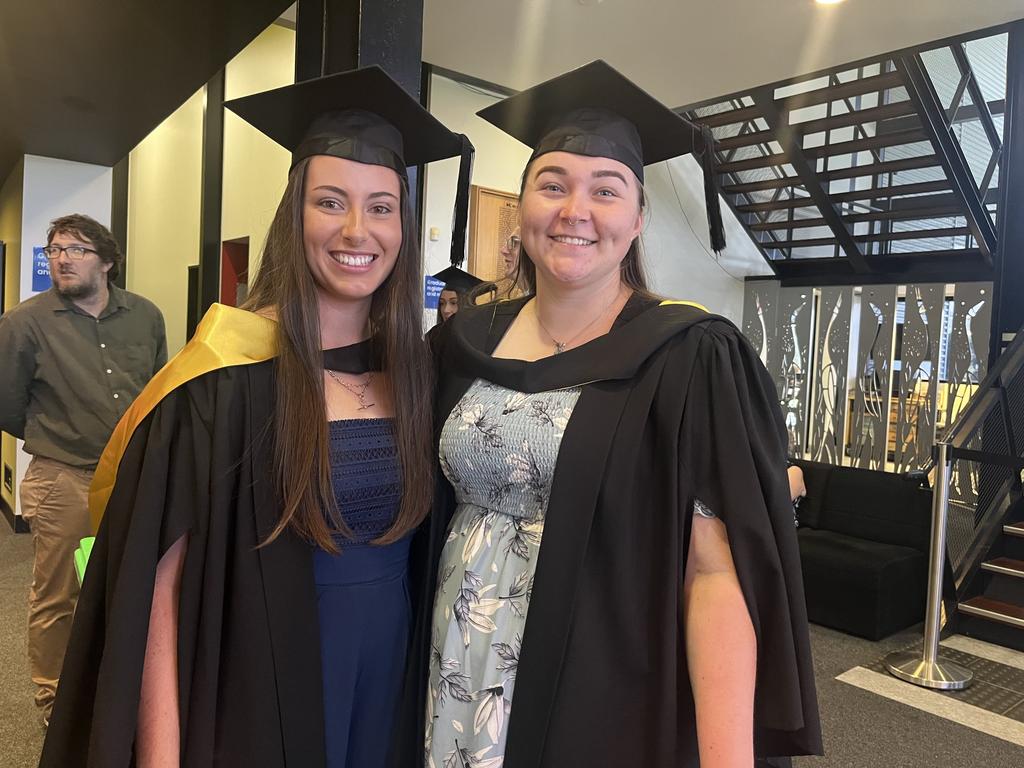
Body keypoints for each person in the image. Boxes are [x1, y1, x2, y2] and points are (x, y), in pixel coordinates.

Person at [39, 67, 472, 768]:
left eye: (382, 206)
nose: (358, 230)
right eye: (330, 202)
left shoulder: (421, 376)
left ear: (404, 224)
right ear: (294, 213)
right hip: (260, 693)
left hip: (394, 688)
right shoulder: (222, 380)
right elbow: (161, 593)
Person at [395, 61, 821, 767]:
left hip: (599, 682)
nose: (574, 211)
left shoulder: (690, 355)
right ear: (524, 204)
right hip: (455, 657)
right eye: (552, 185)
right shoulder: (460, 344)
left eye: (606, 190)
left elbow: (714, 576)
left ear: (638, 218)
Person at [0, 213, 166, 726]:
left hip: (132, 475)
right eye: (53, 250)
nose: (61, 258)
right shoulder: (24, 322)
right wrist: (57, 432)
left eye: (75, 249)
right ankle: (55, 700)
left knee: (131, 581)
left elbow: (158, 390)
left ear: (108, 261)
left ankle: (116, 684)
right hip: (63, 476)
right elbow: (7, 402)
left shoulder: (145, 316)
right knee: (59, 595)